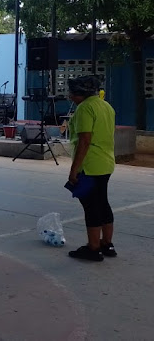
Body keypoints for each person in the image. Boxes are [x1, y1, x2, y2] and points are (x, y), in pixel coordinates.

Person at [66, 75, 117, 262]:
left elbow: (85, 140)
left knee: (91, 206)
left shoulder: (84, 108)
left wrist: (74, 169)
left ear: (80, 93)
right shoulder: (106, 106)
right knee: (102, 202)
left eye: (72, 93)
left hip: (90, 165)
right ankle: (107, 243)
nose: (70, 96)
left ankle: (93, 248)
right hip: (106, 162)